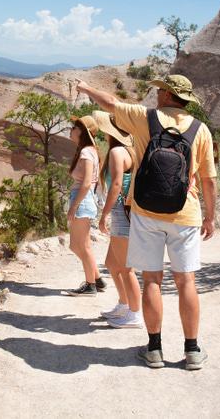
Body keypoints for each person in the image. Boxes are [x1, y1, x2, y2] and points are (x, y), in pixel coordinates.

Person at [75, 75, 217, 370]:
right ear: (186, 99)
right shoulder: (200, 129)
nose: (156, 94)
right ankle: (192, 351)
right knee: (185, 281)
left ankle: (154, 349)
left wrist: (87, 88)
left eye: (159, 90)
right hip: (185, 213)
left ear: (166, 94)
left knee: (152, 279)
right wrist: (211, 216)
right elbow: (208, 180)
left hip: (146, 211)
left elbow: (111, 104)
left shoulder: (145, 118)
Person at [91, 110, 143, 329]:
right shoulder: (131, 150)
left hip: (121, 212)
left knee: (126, 268)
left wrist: (104, 215)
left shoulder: (116, 153)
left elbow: (116, 185)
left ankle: (134, 314)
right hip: (127, 211)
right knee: (112, 264)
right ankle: (124, 304)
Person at [62, 115, 106, 296]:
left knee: (79, 246)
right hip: (84, 199)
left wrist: (73, 207)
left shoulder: (86, 152)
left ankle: (90, 285)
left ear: (83, 132)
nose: (71, 129)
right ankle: (96, 279)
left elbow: (87, 182)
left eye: (75, 127)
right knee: (81, 245)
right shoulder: (90, 150)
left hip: (82, 200)